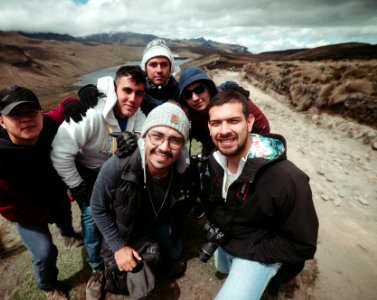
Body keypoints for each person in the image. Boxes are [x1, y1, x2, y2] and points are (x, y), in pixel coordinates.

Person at [202, 90, 319, 300]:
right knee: (223, 267)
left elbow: (303, 245)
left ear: (250, 121)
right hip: (233, 238)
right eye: (216, 123)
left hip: (261, 249)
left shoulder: (288, 179)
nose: (224, 130)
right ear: (209, 127)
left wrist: (248, 251)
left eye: (233, 121)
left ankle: (275, 276)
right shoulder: (215, 160)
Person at [50, 65, 147, 300]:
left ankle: (122, 246)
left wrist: (135, 148)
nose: (132, 98)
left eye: (139, 92)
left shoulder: (140, 117)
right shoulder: (90, 113)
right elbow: (60, 153)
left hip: (113, 170)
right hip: (85, 171)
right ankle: (96, 268)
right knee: (92, 215)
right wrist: (76, 184)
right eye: (127, 90)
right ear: (115, 88)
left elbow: (145, 146)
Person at [0, 85, 80, 300]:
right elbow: (5, 207)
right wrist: (44, 214)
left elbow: (62, 108)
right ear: (2, 122)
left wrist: (72, 102)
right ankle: (48, 285)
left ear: (40, 113)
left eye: (31, 111)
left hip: (56, 197)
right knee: (44, 252)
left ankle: (68, 235)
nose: (26, 119)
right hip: (27, 212)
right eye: (15, 114)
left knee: (65, 218)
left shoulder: (48, 125)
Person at [90, 102, 197, 298]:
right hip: (126, 225)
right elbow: (97, 207)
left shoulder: (185, 171)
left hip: (159, 222)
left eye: (175, 140)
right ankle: (97, 271)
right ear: (144, 137)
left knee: (173, 254)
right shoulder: (118, 165)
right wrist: (119, 246)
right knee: (124, 261)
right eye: (157, 136)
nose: (164, 148)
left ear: (182, 147)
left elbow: (189, 200)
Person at [178, 66, 270, 156]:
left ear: (209, 88)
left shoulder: (232, 100)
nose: (195, 98)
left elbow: (262, 126)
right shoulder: (188, 116)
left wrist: (247, 153)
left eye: (199, 90)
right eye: (187, 95)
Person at [140, 38, 180, 115]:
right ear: (145, 68)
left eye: (164, 64)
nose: (159, 70)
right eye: (153, 64)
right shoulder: (137, 94)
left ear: (170, 68)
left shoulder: (181, 93)